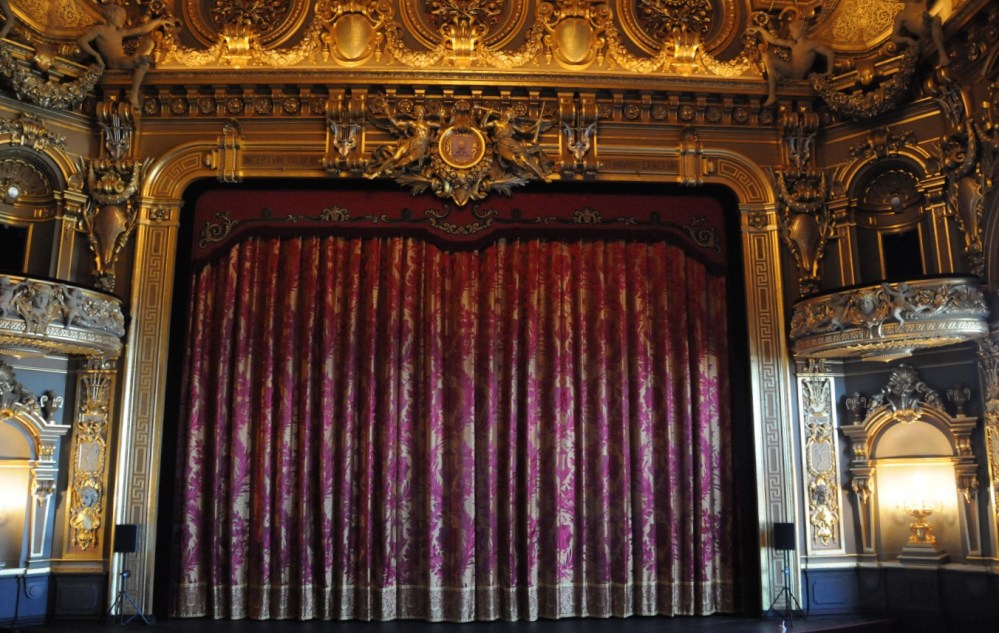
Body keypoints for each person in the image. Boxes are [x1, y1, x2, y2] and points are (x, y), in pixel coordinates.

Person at [77, 4, 175, 107]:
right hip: (115, 62)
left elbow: (142, 30)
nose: (122, 20)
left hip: (122, 60)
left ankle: (134, 92)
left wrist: (158, 21)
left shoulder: (120, 32)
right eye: (120, 17)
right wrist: (97, 55)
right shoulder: (99, 30)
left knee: (144, 63)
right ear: (111, 16)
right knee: (142, 62)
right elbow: (82, 41)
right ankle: (133, 92)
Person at [748, 14, 834, 107]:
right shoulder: (793, 44)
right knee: (769, 57)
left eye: (793, 31)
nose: (791, 33)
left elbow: (830, 53)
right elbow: (774, 40)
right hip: (790, 71)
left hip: (797, 73)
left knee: (771, 61)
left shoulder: (811, 45)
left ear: (800, 31)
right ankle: (776, 80)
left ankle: (772, 95)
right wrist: (760, 29)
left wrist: (829, 72)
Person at [891, 0, 949, 67]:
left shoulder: (923, 2)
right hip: (924, 35)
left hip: (932, 25)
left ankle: (942, 54)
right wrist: (907, 39)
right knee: (933, 20)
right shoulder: (901, 15)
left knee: (935, 19)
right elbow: (894, 37)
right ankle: (942, 54)